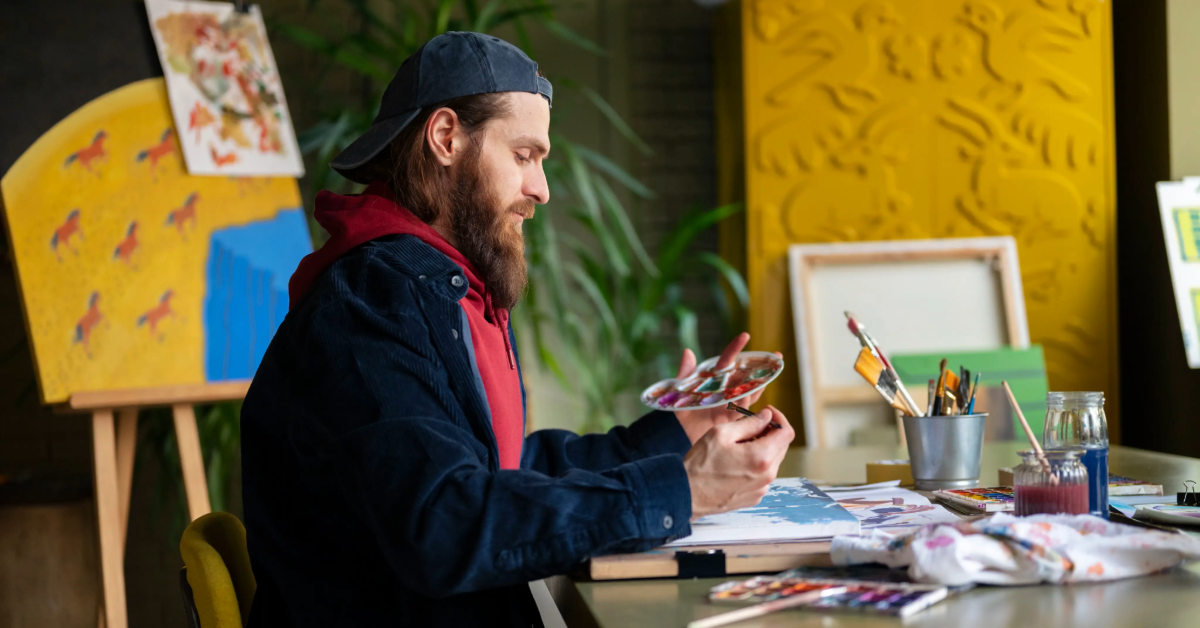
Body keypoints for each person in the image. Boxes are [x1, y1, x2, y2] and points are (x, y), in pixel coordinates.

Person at [240, 31, 795, 627]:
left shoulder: (435, 285)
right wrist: (681, 492)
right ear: (446, 137)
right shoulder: (373, 305)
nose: (542, 189)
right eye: (524, 155)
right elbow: (444, 524)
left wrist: (674, 435)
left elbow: (498, 470)